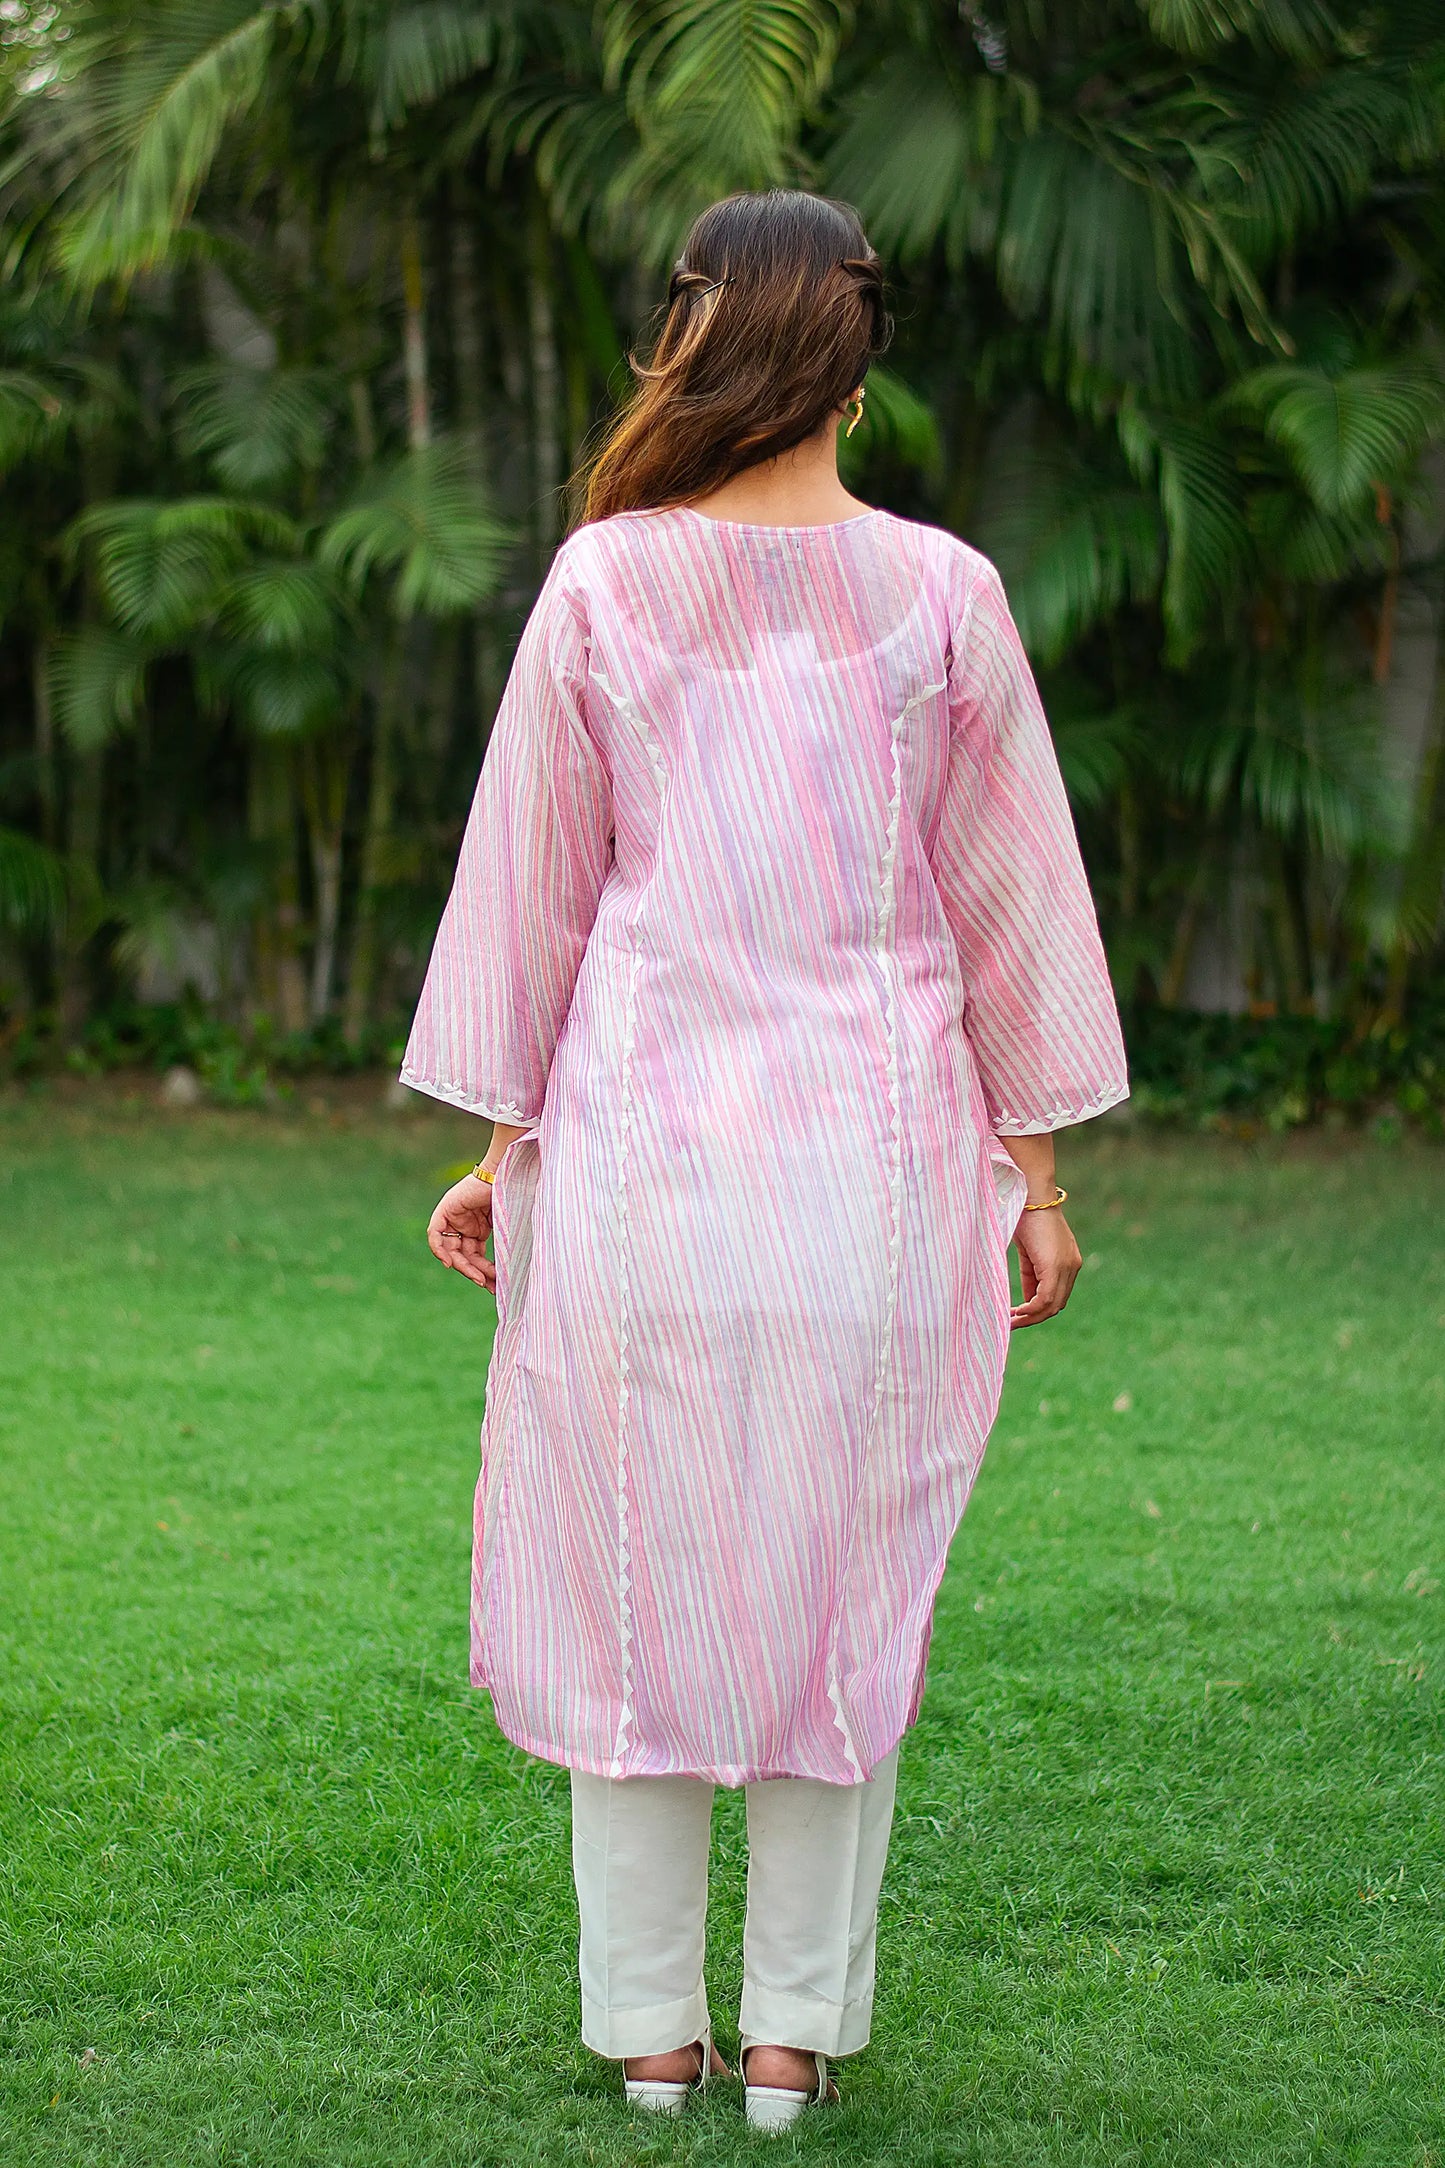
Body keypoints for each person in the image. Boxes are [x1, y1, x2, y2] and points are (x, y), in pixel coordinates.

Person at [401, 188, 1127, 2132]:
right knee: (838, 1591)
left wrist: (502, 1147)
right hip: (875, 1177)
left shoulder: (604, 583)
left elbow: (536, 897)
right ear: (861, 359)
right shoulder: (946, 594)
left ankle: (652, 2034)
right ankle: (791, 2038)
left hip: (642, 1155)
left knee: (633, 1580)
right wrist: (1037, 1179)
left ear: (699, 335)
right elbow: (1012, 908)